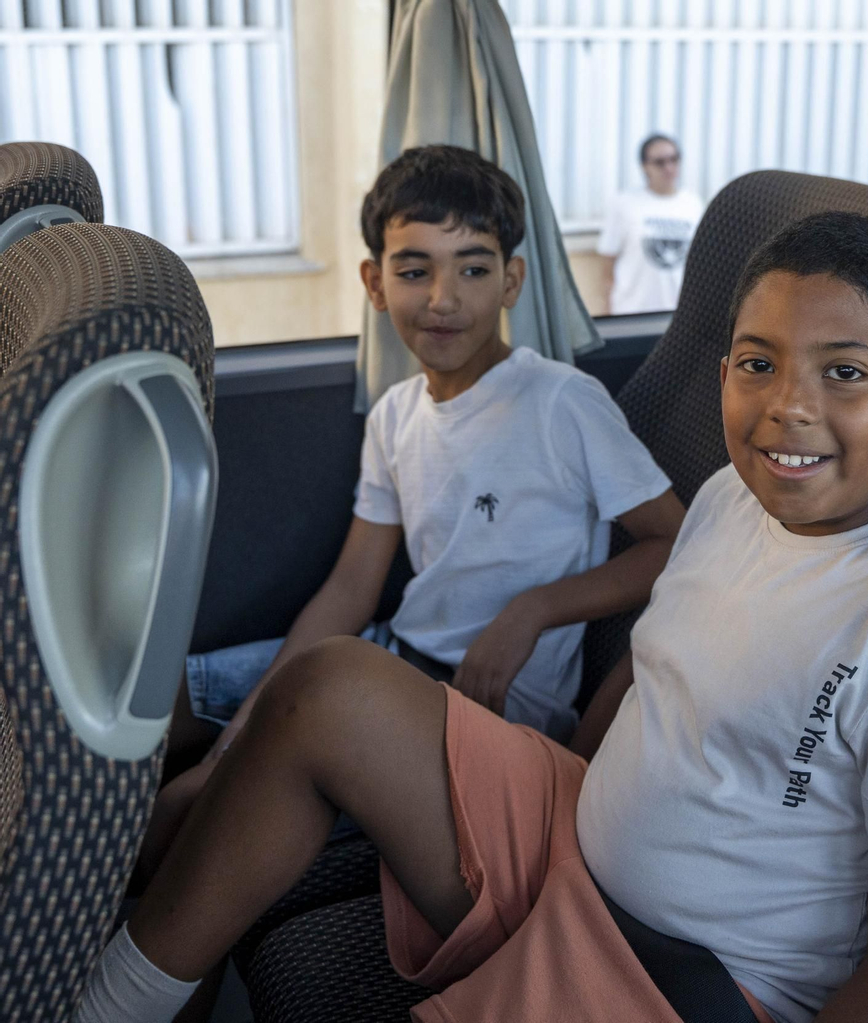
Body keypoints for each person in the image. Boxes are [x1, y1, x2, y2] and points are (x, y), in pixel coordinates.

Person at [75, 211, 868, 1023]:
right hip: (571, 834)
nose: (788, 405)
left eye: (845, 373)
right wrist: (568, 786)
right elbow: (653, 667)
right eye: (758, 362)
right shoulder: (730, 500)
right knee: (322, 688)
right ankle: (109, 1002)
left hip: (687, 976)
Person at [144, 142, 683, 870]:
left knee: (194, 824)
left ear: (511, 280)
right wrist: (236, 736)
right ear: (374, 282)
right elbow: (348, 590)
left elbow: (671, 544)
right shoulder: (397, 414)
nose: (443, 297)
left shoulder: (561, 403)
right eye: (413, 268)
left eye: (472, 267)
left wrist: (533, 609)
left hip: (486, 715)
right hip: (390, 655)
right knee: (146, 702)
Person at [596, 134, 705, 315]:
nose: (668, 167)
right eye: (660, 162)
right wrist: (606, 307)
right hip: (631, 311)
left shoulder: (693, 204)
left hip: (678, 314)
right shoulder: (624, 204)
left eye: (673, 159)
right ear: (645, 166)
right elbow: (608, 262)